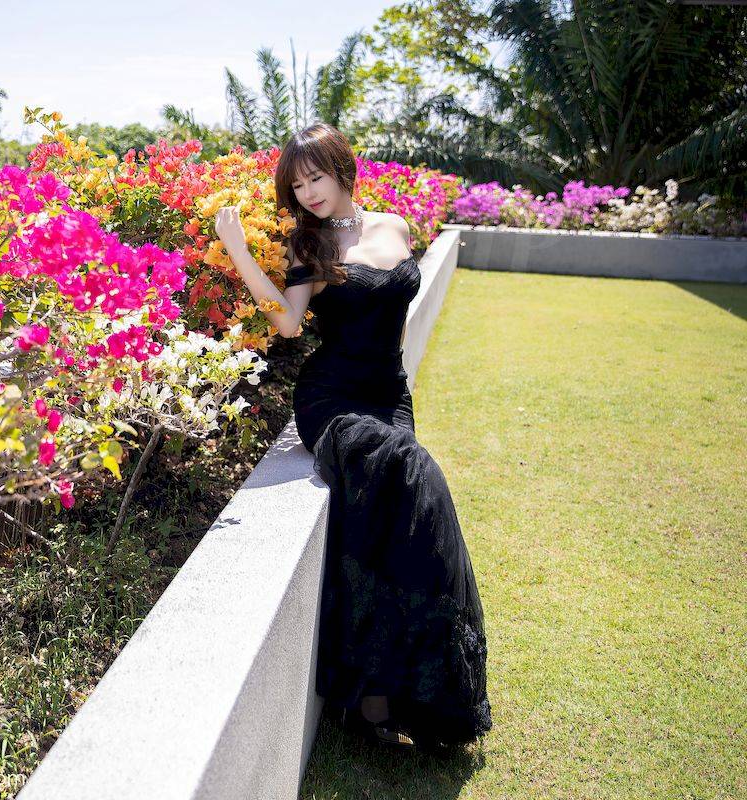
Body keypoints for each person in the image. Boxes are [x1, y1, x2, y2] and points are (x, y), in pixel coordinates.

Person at [214, 123, 492, 753]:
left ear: (342, 167)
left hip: (389, 397)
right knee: (419, 476)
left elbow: (390, 314)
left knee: (399, 522)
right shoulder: (307, 245)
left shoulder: (396, 226)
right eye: (297, 184)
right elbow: (287, 324)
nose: (308, 192)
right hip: (330, 397)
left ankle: (407, 693)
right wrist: (238, 251)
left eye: (316, 176)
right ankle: (368, 695)